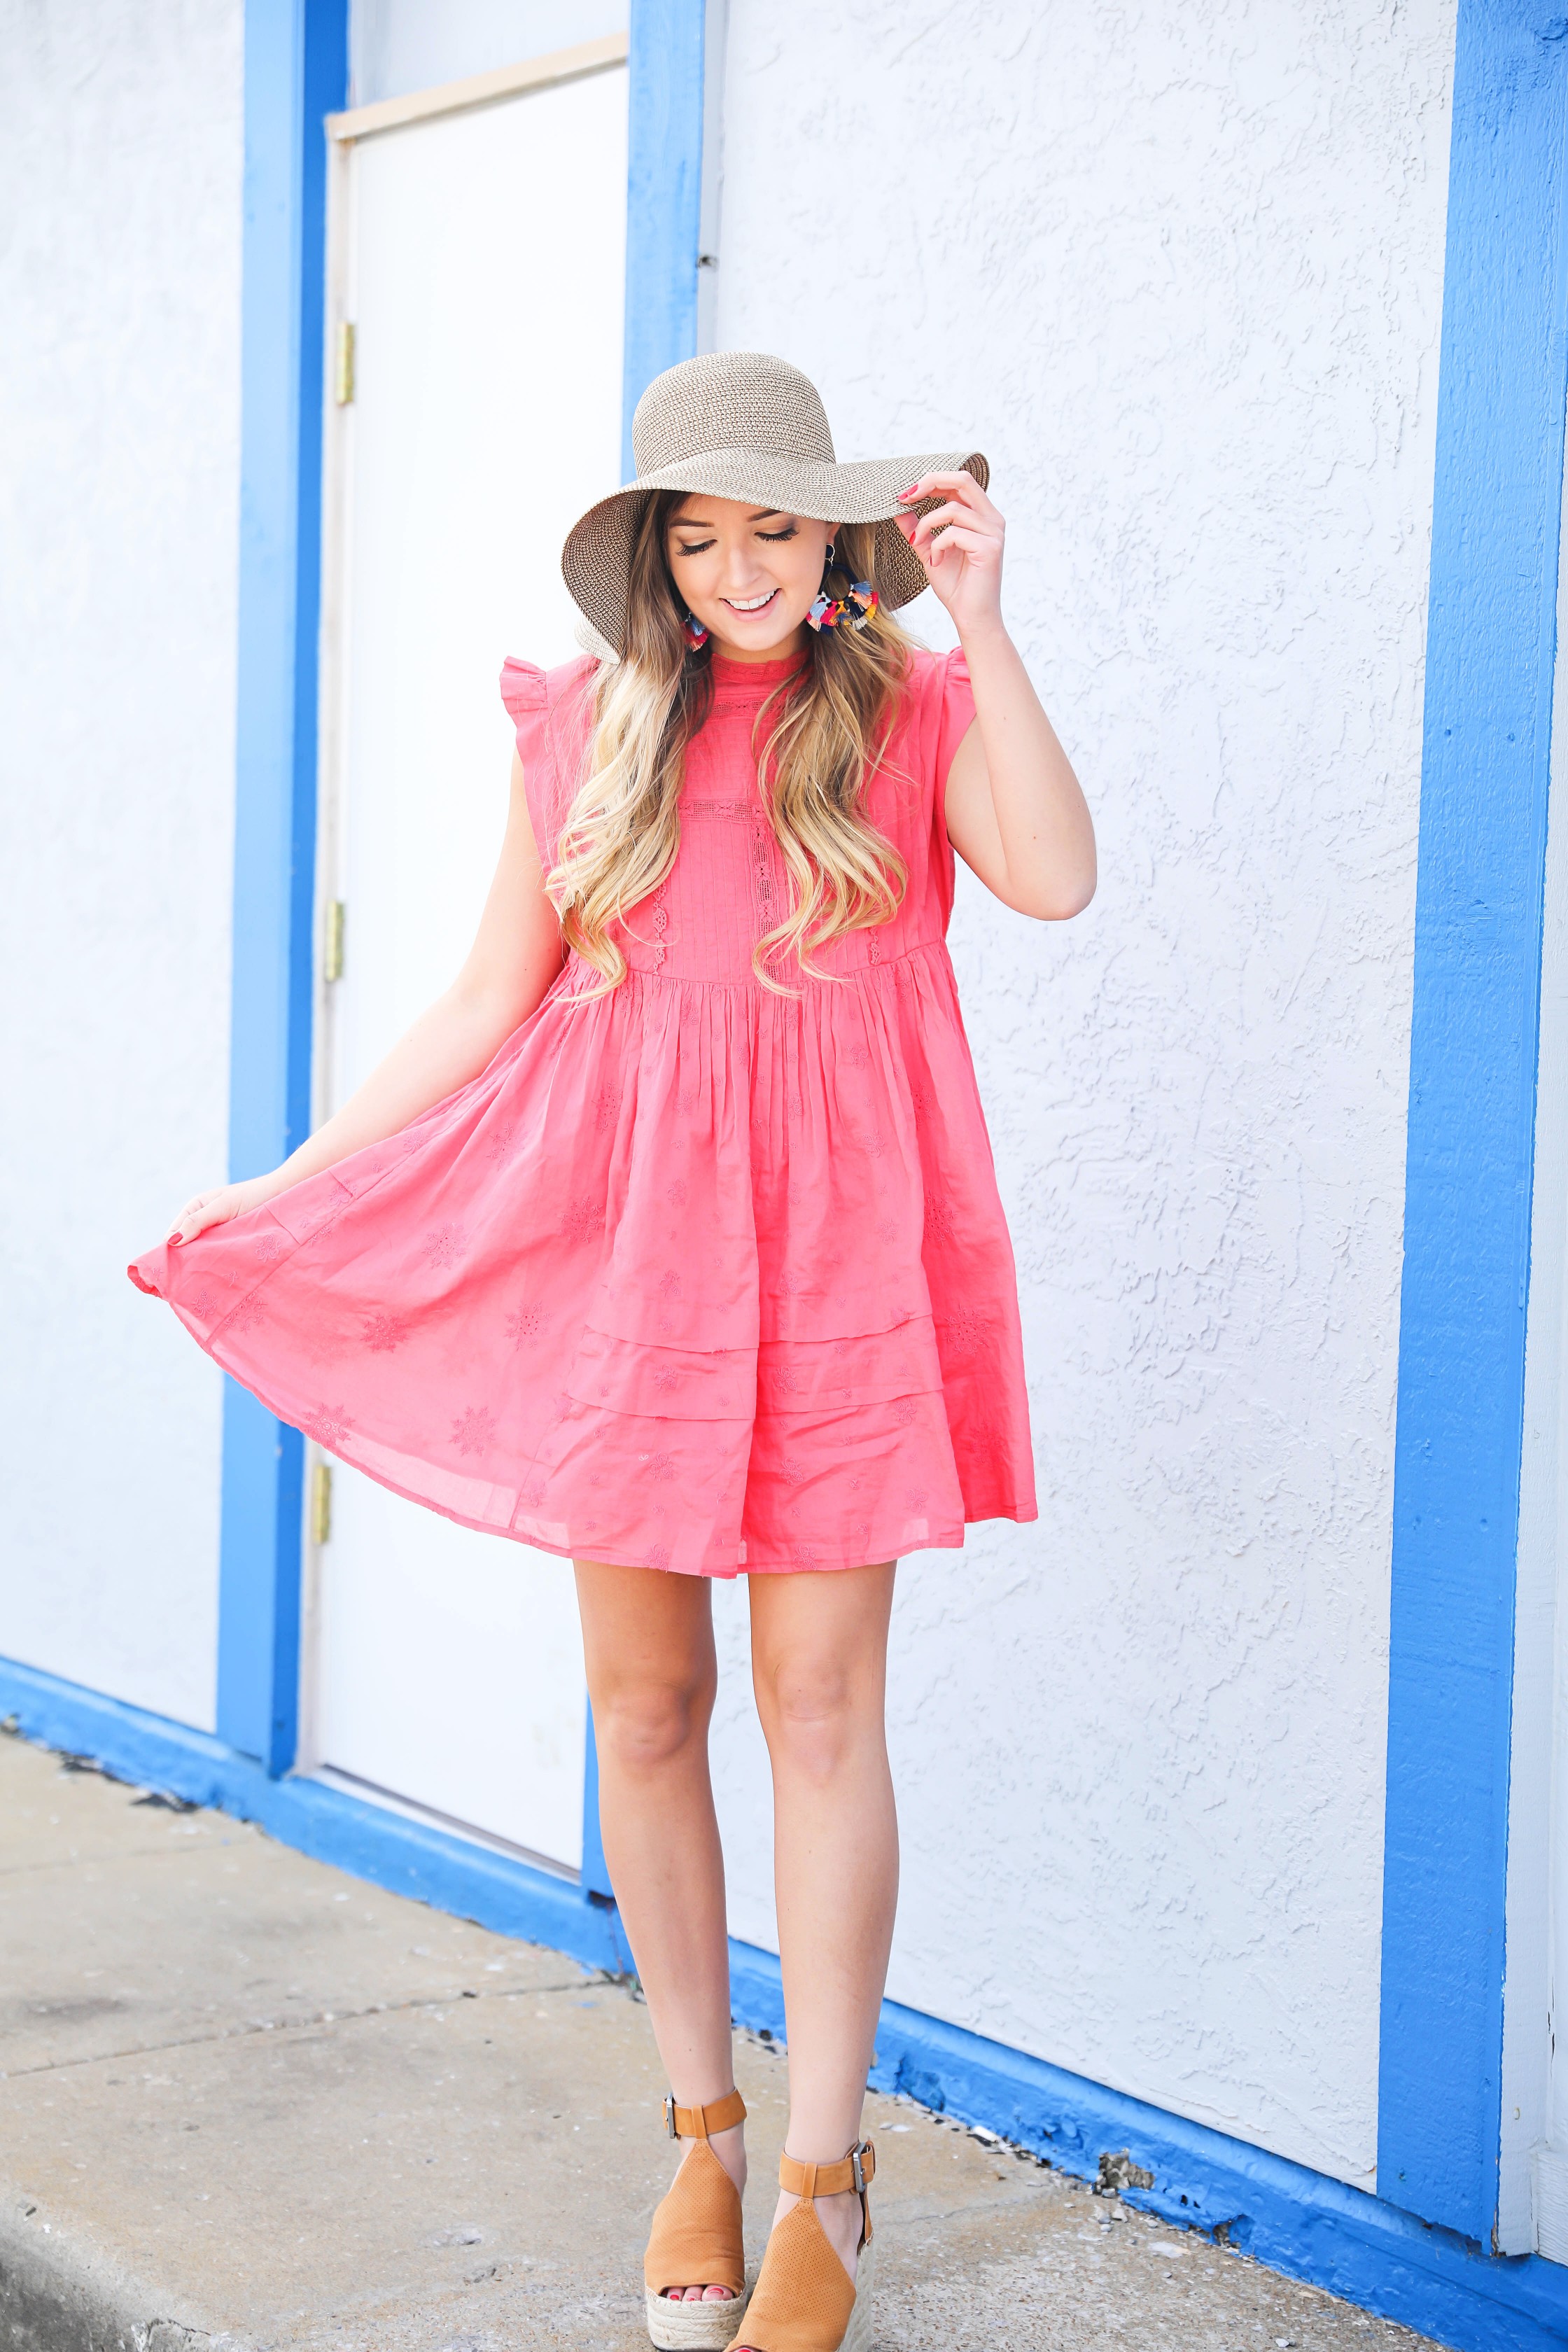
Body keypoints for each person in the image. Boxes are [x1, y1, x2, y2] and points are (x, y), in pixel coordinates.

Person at [130, 351, 1094, 2352]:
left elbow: (1058, 878)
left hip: (843, 1253)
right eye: (702, 530)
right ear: (658, 557)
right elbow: (491, 998)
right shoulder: (585, 728)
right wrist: (292, 1177)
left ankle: (825, 2183)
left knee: (821, 1712)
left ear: (835, 537)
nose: (743, 566)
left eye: (776, 525)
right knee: (645, 1711)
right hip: (627, 1262)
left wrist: (985, 626)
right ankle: (704, 2133)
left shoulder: (911, 707)